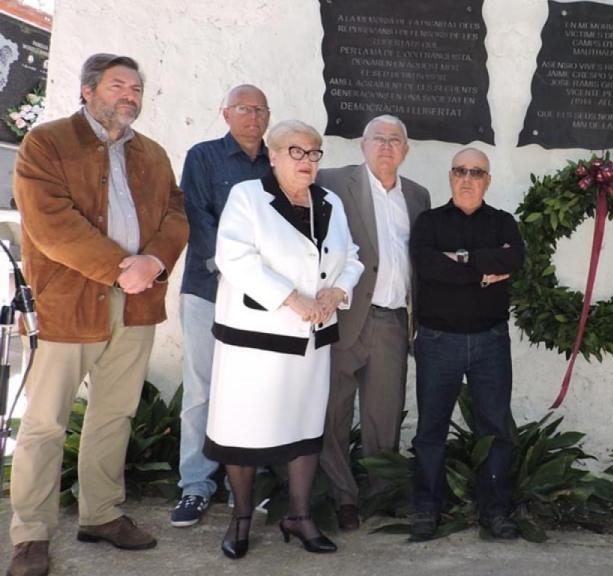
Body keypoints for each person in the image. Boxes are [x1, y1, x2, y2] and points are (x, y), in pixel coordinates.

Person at [7, 53, 188, 576]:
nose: (129, 95)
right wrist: (118, 268)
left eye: (136, 88)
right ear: (87, 90)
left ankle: (101, 514)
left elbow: (175, 214)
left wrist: (153, 261)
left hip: (138, 303)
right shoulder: (48, 142)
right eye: (117, 85)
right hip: (70, 301)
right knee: (44, 424)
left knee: (114, 414)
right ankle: (31, 534)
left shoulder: (152, 154)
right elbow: (49, 222)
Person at [203, 119, 363, 559]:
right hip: (255, 343)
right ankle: (241, 519)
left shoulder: (329, 201)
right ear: (272, 155)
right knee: (243, 430)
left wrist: (338, 289)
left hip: (309, 343)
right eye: (297, 151)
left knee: (304, 428)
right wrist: (292, 298)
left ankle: (299, 516)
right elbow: (233, 258)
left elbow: (352, 256)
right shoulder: (248, 198)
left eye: (314, 153)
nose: (308, 161)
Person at [315, 115, 430, 530]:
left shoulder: (418, 196)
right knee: (335, 410)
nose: (385, 145)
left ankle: (381, 495)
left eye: (394, 139)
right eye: (377, 138)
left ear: (405, 150)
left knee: (384, 414)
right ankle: (342, 496)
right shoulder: (331, 180)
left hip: (393, 321)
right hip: (345, 317)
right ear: (362, 146)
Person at [408, 148, 524, 541]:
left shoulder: (503, 223)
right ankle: (427, 507)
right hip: (438, 341)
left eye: (477, 172)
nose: (468, 178)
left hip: (491, 341)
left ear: (488, 180)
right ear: (450, 176)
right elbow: (427, 266)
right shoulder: (429, 222)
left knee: (495, 428)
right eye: (460, 170)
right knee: (430, 429)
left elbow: (514, 261)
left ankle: (496, 510)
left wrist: (458, 261)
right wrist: (481, 270)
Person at [172, 84, 271, 527]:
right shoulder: (203, 156)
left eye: (259, 109)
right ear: (225, 113)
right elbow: (197, 215)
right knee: (201, 391)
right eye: (243, 108)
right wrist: (237, 268)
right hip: (209, 290)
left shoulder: (278, 161)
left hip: (264, 299)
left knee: (255, 391)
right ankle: (196, 485)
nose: (252, 116)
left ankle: (244, 485)